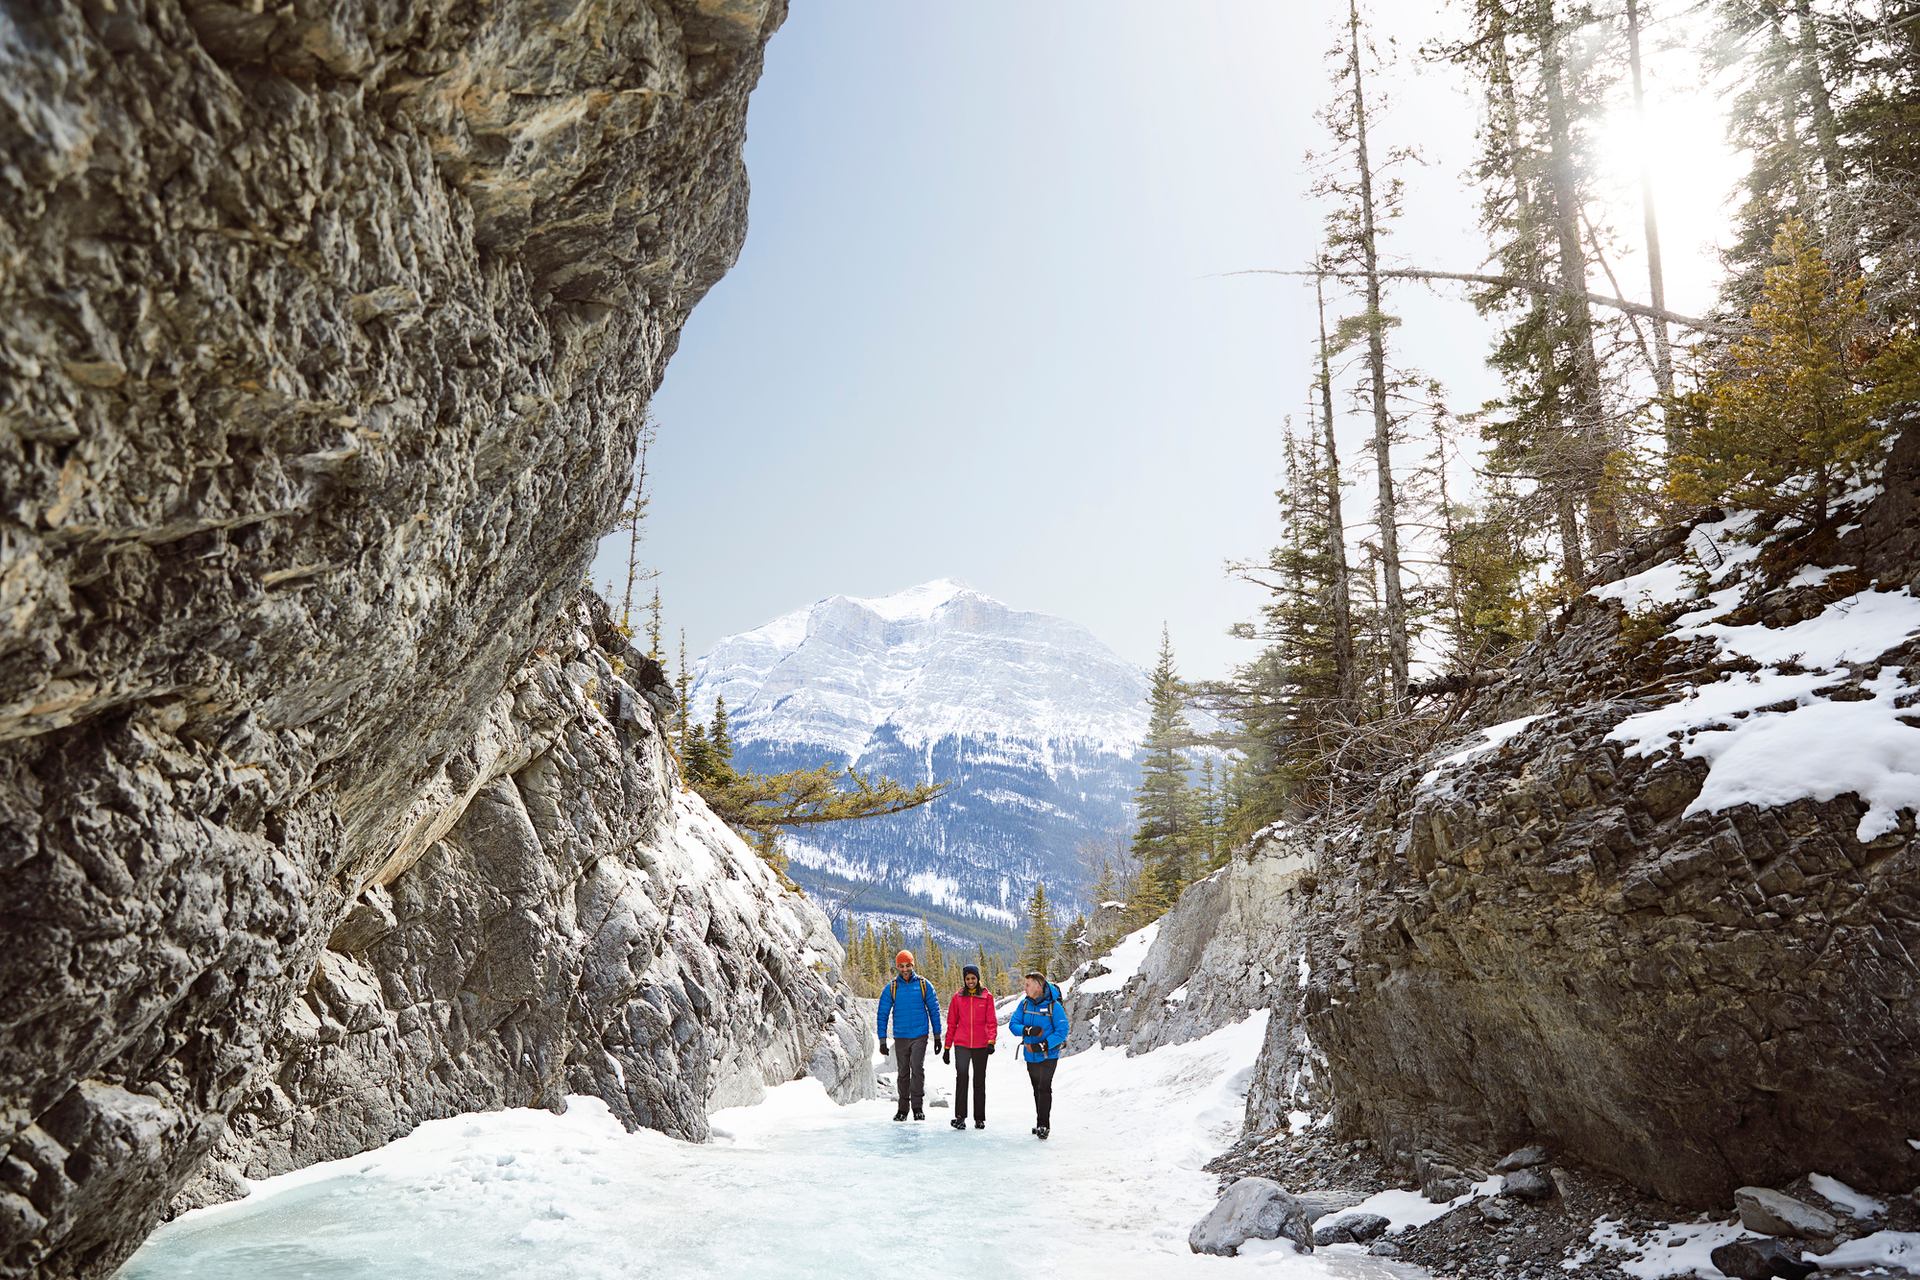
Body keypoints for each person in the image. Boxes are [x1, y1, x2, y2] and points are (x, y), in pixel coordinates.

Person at [875, 949, 942, 1121]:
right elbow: (882, 1013)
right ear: (897, 967)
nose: (905, 969)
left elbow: (934, 1010)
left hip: (920, 1034)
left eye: (908, 965)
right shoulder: (892, 988)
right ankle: (902, 1109)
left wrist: (937, 1036)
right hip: (901, 1036)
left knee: (917, 1069)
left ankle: (917, 1108)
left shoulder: (924, 985)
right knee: (903, 1072)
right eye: (901, 966)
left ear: (913, 965)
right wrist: (882, 1040)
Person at [1006, 969, 1069, 1139]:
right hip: (1030, 1055)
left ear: (1038, 986)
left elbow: (1063, 1030)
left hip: (1049, 1055)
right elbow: (1013, 1025)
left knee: (1044, 1087)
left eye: (1027, 985)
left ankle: (1043, 1125)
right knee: (1036, 1089)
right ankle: (1039, 1122)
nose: (1024, 988)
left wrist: (1044, 1045)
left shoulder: (1053, 1006)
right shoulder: (1025, 1004)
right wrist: (1027, 1030)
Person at [941, 965, 996, 1130]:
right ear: (964, 980)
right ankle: (960, 1117)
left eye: (973, 978)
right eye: (967, 979)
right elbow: (952, 1023)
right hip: (962, 1045)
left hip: (981, 1045)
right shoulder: (957, 998)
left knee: (979, 1081)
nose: (970, 981)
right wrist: (947, 1047)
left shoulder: (987, 997)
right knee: (962, 1079)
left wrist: (991, 1042)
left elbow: (991, 1021)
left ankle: (979, 1118)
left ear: (978, 979)